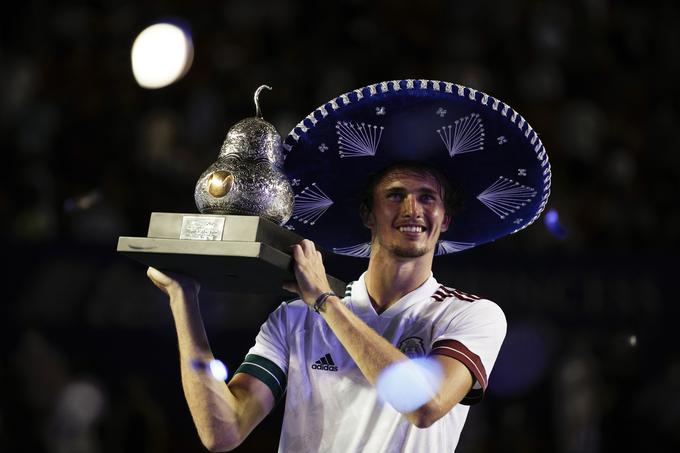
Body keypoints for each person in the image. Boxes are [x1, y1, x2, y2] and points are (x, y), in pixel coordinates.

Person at [148, 79, 552, 452]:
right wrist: (184, 302)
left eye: (428, 198)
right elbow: (223, 431)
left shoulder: (469, 315)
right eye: (394, 196)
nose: (413, 209)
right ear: (367, 215)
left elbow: (425, 405)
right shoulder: (293, 320)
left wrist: (326, 301)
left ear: (445, 220)